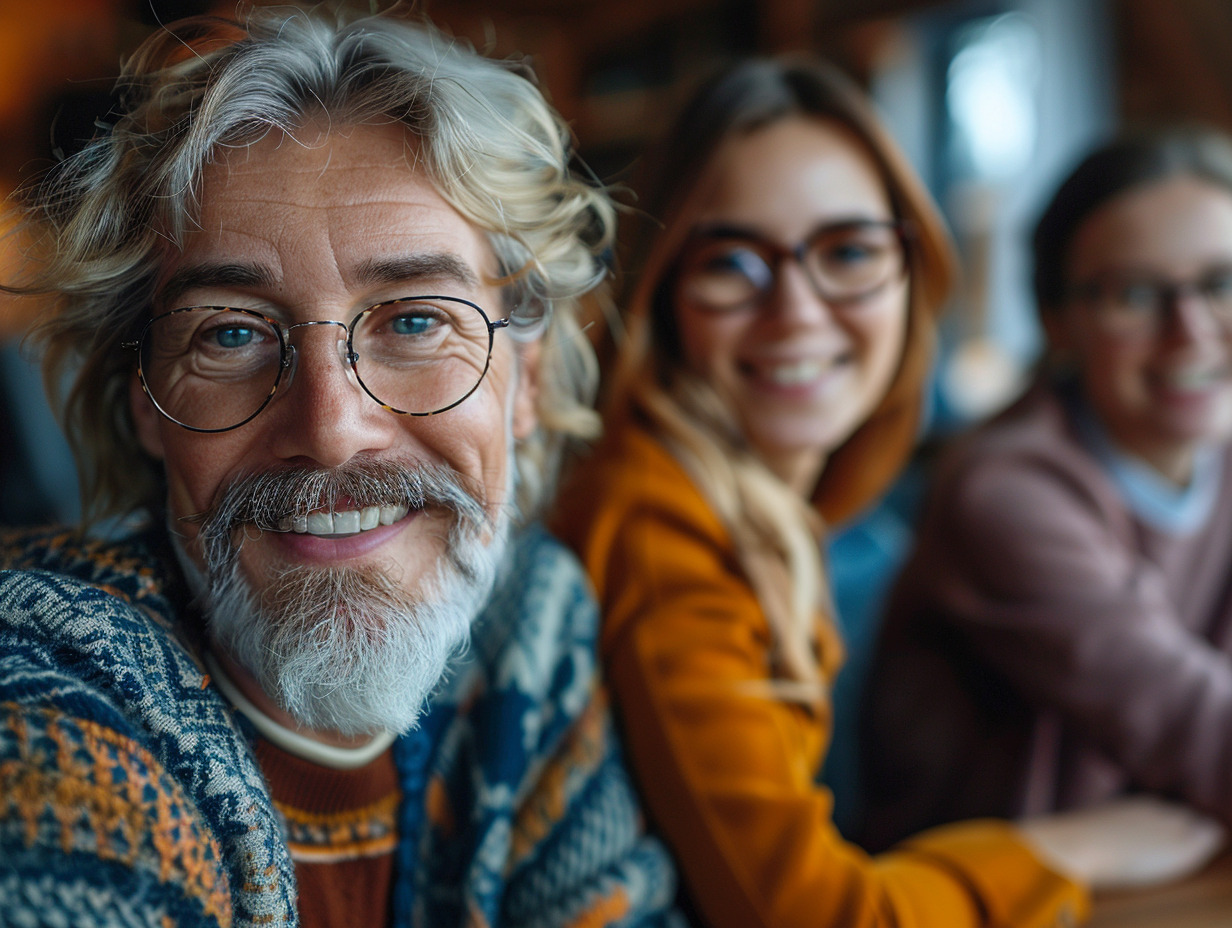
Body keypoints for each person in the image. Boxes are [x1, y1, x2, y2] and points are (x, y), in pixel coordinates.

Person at [0, 7, 680, 927]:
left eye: (413, 320)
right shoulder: (62, 688)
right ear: (144, 404)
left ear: (531, 378)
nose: (331, 430)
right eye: (231, 334)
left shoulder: (530, 638)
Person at [554, 60, 1224, 928]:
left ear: (912, 276)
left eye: (849, 252)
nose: (796, 310)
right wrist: (1072, 848)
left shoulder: (752, 509)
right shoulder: (660, 525)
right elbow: (809, 915)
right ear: (663, 291)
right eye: (730, 262)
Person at [863, 127, 1232, 852]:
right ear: (1057, 321)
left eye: (1221, 283)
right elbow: (1187, 722)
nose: (1189, 331)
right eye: (1134, 294)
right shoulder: (1002, 493)